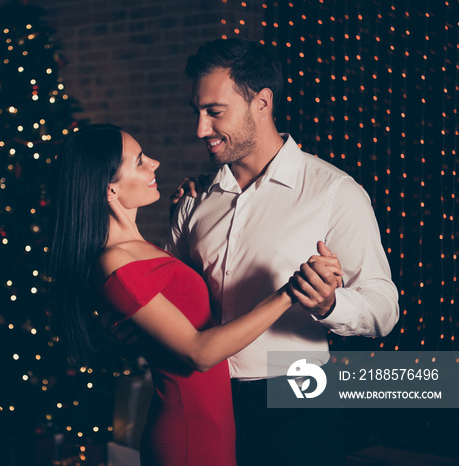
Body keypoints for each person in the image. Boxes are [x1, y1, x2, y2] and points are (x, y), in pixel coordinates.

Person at [49, 123, 343, 466]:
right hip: (189, 435)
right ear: (110, 190)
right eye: (140, 161)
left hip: (217, 427)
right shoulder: (113, 261)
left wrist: (194, 206)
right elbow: (199, 353)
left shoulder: (141, 249)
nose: (154, 163)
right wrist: (291, 292)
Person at [168, 38, 400, 466]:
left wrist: (331, 303)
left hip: (298, 397)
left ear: (262, 102)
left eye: (214, 112)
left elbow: (384, 309)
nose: (200, 129)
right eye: (196, 112)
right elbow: (175, 302)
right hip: (204, 399)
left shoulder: (334, 192)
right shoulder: (192, 200)